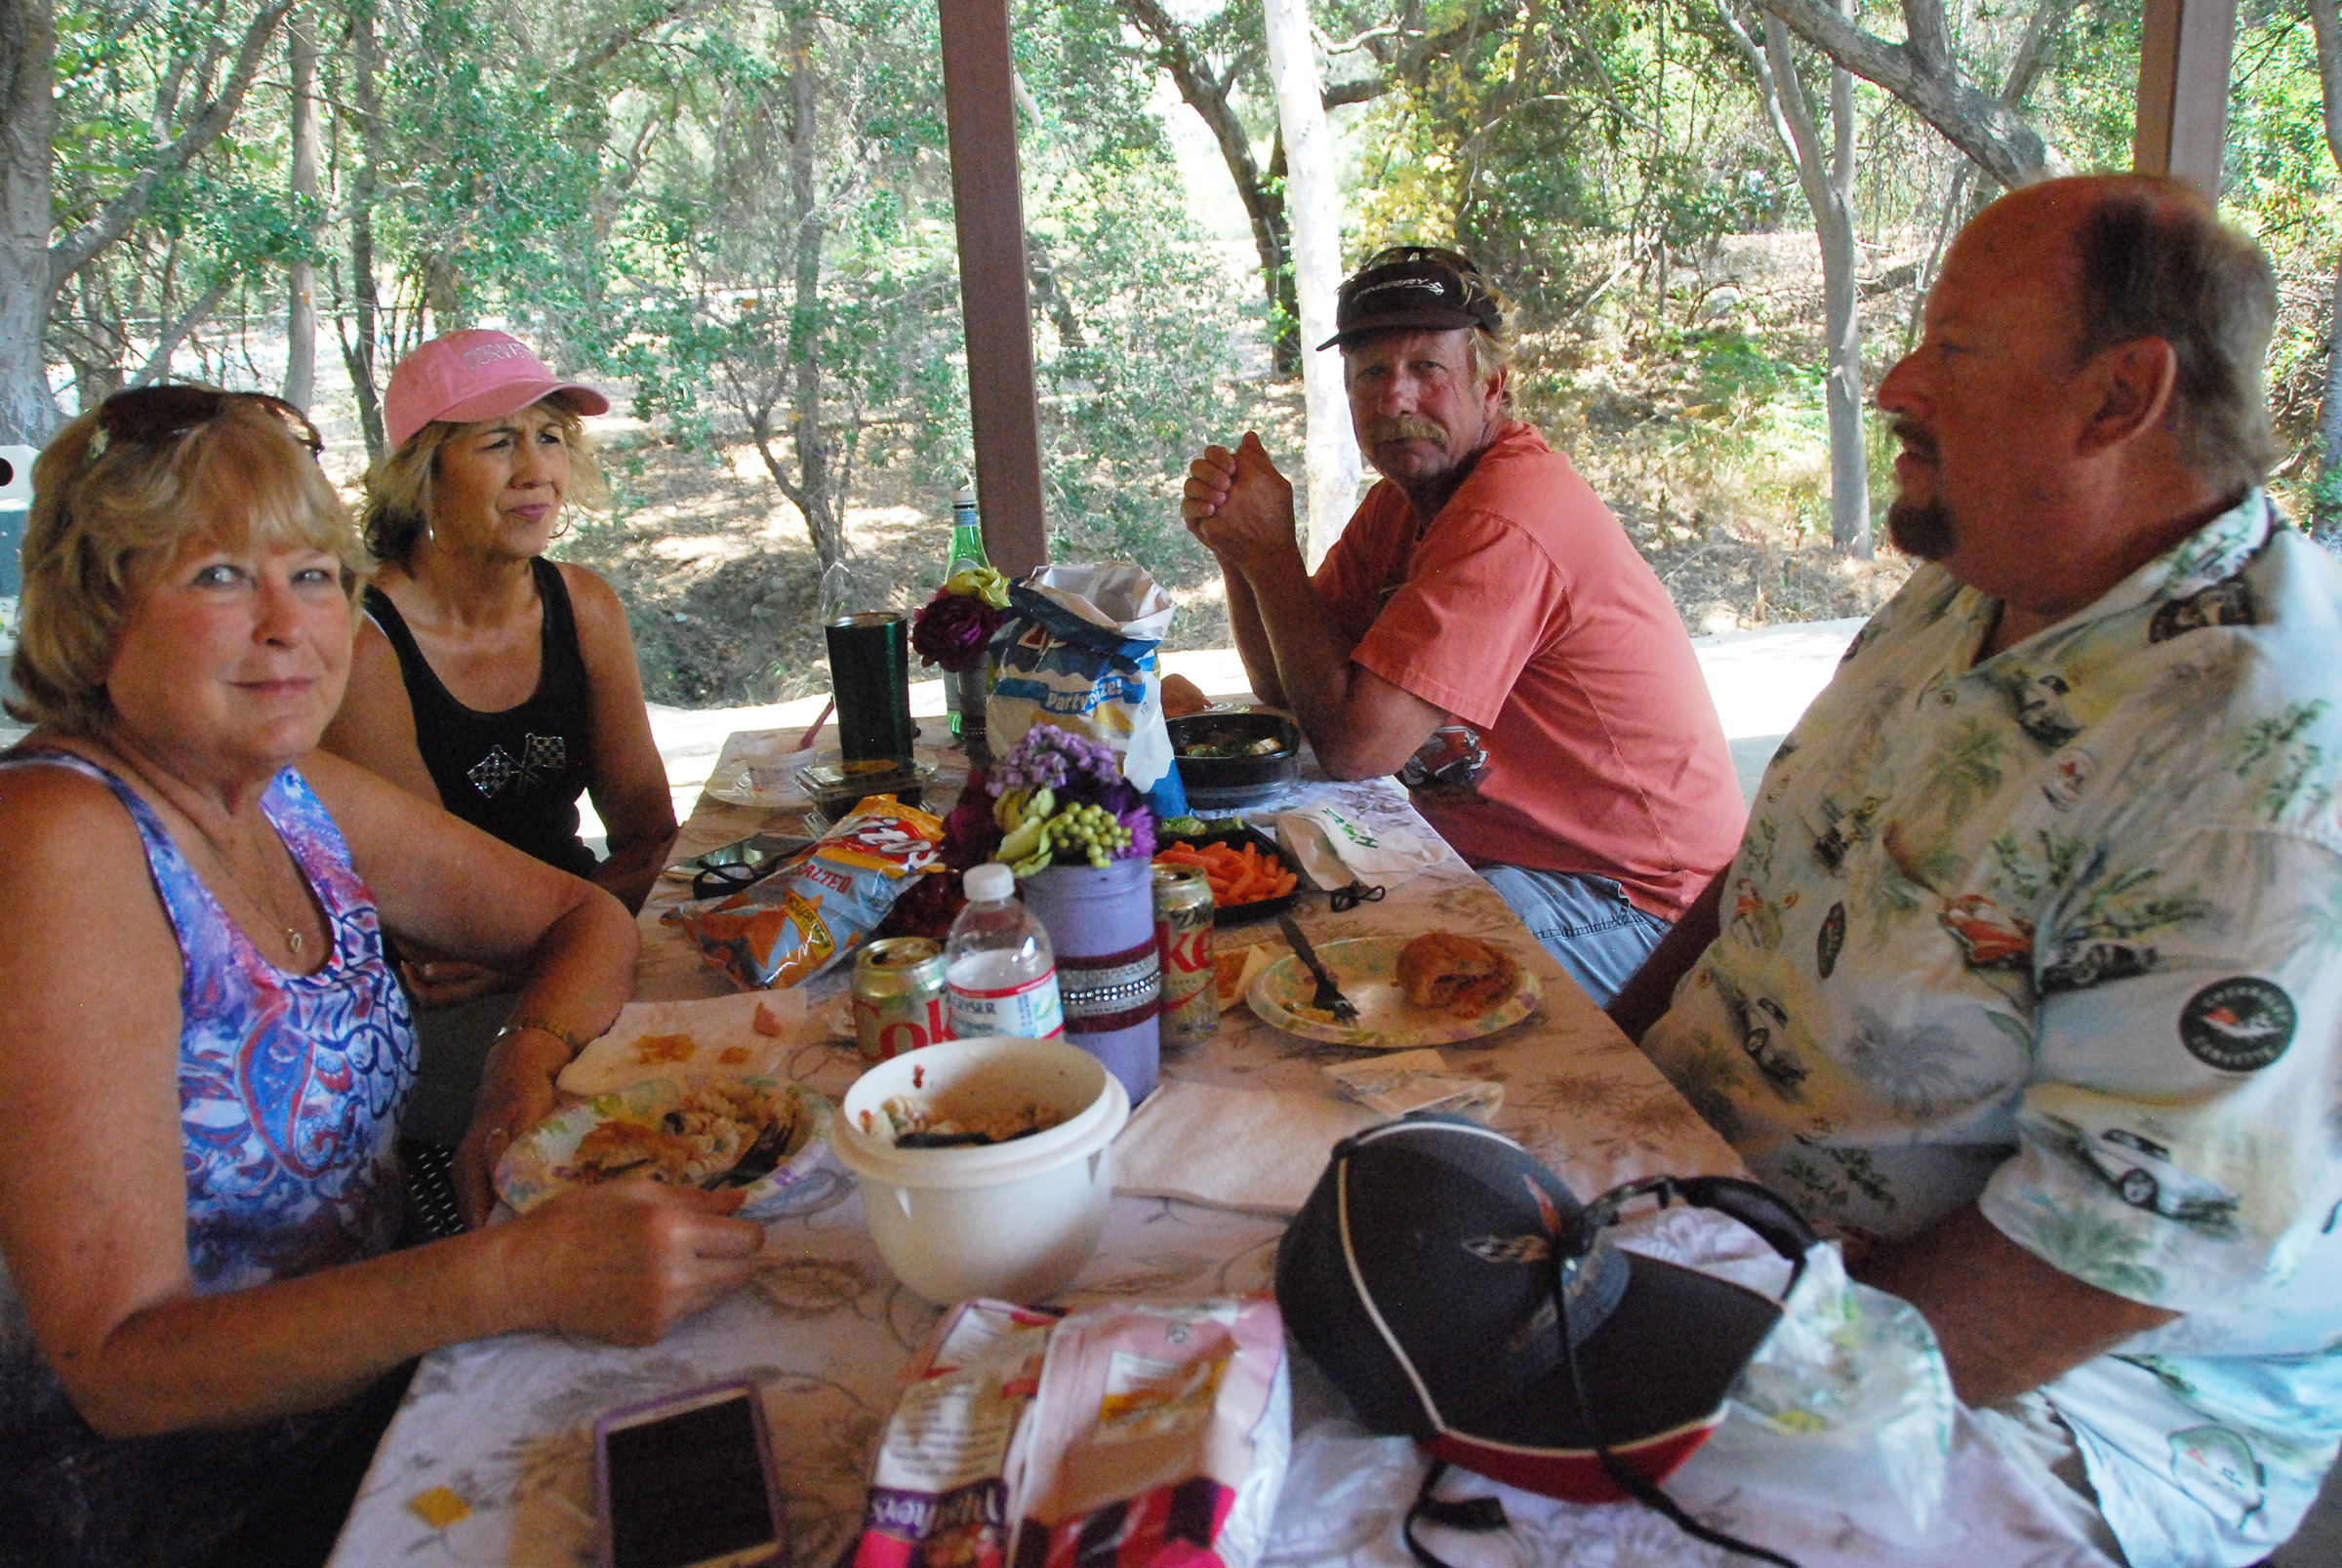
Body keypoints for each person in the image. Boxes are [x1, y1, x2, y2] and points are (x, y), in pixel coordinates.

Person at [1609, 176, 2342, 1568]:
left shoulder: (2250, 765)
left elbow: (2108, 1256)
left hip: (2065, 1399)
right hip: (1736, 1214)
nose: (1896, 379)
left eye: (1956, 346)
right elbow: (1769, 874)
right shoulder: (1979, 575)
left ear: (2122, 393)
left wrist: (1724, 1395)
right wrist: (1600, 1068)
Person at [0, 388, 764, 1567]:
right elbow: (120, 1363)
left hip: (403, 1363)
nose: (289, 626)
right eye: (216, 577)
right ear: (98, 613)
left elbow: (577, 915)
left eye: (311, 574)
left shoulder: (286, 789)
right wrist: (506, 1273)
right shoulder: (60, 832)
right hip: (208, 1498)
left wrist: (523, 1067)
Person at [1181, 246, 1744, 1006]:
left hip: (1641, 904)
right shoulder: (1403, 504)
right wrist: (1241, 554)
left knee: (1352, 986)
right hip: (1510, 865)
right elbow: (1292, 690)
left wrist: (1274, 553)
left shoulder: (1507, 513)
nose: (1395, 397)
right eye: (1371, 373)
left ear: (1492, 383)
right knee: (1290, 940)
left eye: (1426, 367)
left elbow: (1354, 747)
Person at [321, 331, 676, 1145]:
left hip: (573, 945)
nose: (535, 470)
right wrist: (580, 925)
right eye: (496, 443)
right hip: (439, 996)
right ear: (422, 471)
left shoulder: (582, 605)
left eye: (549, 437)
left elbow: (654, 838)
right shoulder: (363, 641)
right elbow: (433, 923)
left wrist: (562, 938)